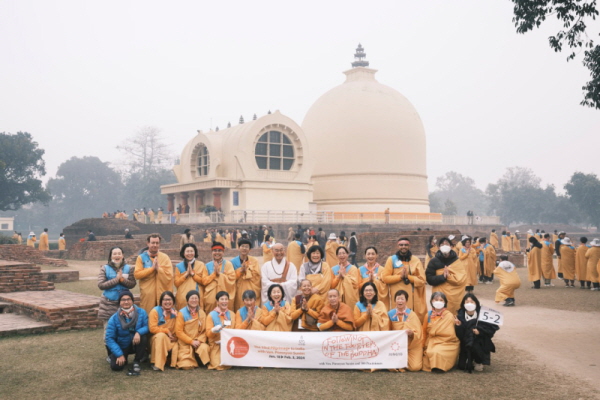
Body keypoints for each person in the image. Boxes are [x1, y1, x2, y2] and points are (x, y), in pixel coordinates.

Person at [381, 237, 427, 322]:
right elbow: (385, 278)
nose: (403, 247)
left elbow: (422, 280)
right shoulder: (391, 259)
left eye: (406, 245)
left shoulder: (415, 260)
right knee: (397, 319)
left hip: (411, 297)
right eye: (401, 245)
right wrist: (400, 277)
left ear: (409, 246)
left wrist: (408, 277)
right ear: (398, 246)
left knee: (410, 319)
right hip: (397, 297)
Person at [105, 290, 149, 375]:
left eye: (128, 299)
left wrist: (138, 333)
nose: (126, 302)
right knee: (116, 367)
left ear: (132, 301)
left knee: (143, 337)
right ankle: (117, 356)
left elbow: (147, 326)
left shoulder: (141, 312)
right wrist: (119, 354)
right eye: (123, 299)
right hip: (122, 345)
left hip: (136, 343)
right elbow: (109, 338)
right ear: (119, 302)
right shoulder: (114, 318)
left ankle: (137, 360)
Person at [455, 293, 499, 372]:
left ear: (476, 303)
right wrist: (459, 326)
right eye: (467, 302)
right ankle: (468, 359)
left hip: (479, 342)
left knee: (477, 345)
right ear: (463, 304)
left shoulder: (483, 314)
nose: (469, 304)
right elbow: (460, 336)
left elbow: (490, 330)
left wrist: (480, 332)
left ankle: (478, 361)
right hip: (465, 342)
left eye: (472, 302)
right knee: (462, 366)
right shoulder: (460, 315)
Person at [134, 234, 174, 314]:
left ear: (159, 244)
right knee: (147, 317)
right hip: (148, 295)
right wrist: (152, 269)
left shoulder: (165, 257)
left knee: (163, 318)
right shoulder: (141, 258)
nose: (155, 245)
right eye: (152, 243)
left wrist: (158, 269)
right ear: (148, 243)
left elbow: (169, 275)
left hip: (162, 294)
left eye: (157, 243)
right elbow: (137, 275)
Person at [426, 238, 467, 315]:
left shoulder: (457, 261)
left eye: (447, 244)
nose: (444, 246)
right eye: (442, 244)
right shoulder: (433, 261)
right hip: (439, 295)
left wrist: (449, 277)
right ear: (438, 247)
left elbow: (462, 278)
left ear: (451, 246)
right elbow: (429, 279)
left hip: (454, 296)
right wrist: (443, 277)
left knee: (453, 314)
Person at [421, 292, 460, 372]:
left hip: (447, 342)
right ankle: (435, 366)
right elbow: (424, 331)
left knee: (438, 352)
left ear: (445, 302)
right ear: (432, 301)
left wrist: (458, 324)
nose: (438, 302)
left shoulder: (449, 315)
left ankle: (440, 367)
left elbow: (451, 333)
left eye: (441, 300)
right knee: (431, 351)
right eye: (436, 300)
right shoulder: (428, 315)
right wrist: (422, 345)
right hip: (431, 341)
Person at [98, 247, 137, 323]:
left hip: (125, 303)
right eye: (114, 254)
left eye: (119, 253)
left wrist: (122, 280)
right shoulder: (105, 268)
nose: (117, 256)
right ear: (111, 256)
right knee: (109, 329)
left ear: (122, 256)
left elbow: (132, 284)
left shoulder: (129, 268)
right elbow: (101, 285)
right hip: (108, 304)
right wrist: (116, 279)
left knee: (125, 328)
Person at [388, 290, 423, 371]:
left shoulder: (412, 314)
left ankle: (401, 361)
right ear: (395, 300)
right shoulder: (390, 314)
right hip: (396, 346)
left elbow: (418, 332)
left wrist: (412, 334)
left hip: (411, 345)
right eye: (398, 299)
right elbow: (387, 330)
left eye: (402, 299)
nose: (400, 301)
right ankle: (399, 361)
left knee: (415, 367)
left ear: (406, 301)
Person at [174, 290, 210, 369]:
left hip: (198, 341)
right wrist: (191, 341)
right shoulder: (181, 313)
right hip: (185, 343)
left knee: (205, 348)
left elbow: (204, 331)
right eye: (192, 298)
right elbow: (179, 332)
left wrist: (199, 341)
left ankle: (199, 360)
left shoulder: (202, 313)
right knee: (186, 366)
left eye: (196, 298)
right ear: (187, 300)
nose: (194, 300)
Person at [200, 242, 236, 314]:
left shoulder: (228, 264)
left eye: (219, 250)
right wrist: (214, 274)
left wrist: (220, 275)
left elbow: (232, 279)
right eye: (215, 250)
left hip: (224, 295)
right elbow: (204, 281)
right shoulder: (207, 265)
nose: (217, 252)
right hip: (210, 296)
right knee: (210, 315)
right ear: (212, 252)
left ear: (223, 252)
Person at [205, 291, 236, 370]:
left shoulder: (232, 314)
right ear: (217, 302)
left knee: (228, 363)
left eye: (226, 299)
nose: (224, 301)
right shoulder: (211, 315)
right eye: (222, 299)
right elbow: (208, 334)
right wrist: (213, 330)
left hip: (229, 343)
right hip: (216, 344)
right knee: (218, 365)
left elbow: (235, 330)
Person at [148, 291, 178, 371]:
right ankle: (157, 364)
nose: (167, 302)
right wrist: (166, 331)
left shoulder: (175, 313)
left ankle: (173, 363)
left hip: (171, 339)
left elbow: (177, 329)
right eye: (165, 300)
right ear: (161, 302)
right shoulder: (155, 311)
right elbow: (152, 328)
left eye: (170, 299)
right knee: (161, 336)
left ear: (173, 302)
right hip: (156, 339)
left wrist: (175, 338)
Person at [174, 243, 204, 311]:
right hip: (182, 298)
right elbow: (176, 283)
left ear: (195, 252)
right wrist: (186, 274)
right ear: (183, 253)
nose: (189, 253)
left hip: (197, 297)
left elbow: (203, 281)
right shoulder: (179, 266)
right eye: (187, 251)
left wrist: (193, 274)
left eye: (191, 251)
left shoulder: (201, 265)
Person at [358, 246, 389, 311]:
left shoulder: (382, 269)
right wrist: (367, 281)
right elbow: (357, 286)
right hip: (365, 301)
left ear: (376, 255)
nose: (370, 256)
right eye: (368, 254)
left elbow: (385, 287)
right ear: (365, 256)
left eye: (373, 254)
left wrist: (374, 281)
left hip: (378, 300)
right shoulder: (360, 270)